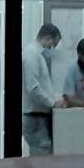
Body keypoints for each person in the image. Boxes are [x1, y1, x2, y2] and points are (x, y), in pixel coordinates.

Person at [21, 23, 64, 155]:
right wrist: (52, 103)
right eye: (53, 45)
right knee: (42, 155)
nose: (52, 49)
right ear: (48, 38)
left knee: (44, 152)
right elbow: (33, 89)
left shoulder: (37, 55)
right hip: (35, 117)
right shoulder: (32, 54)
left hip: (39, 117)